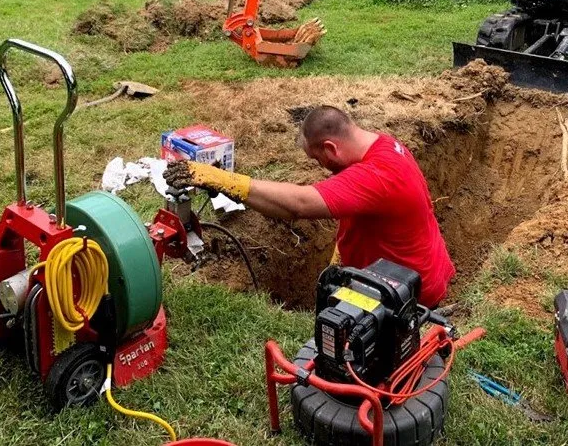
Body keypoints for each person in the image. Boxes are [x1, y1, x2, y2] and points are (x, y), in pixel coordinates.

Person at [164, 106, 455, 306]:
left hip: (408, 292)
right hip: (419, 268)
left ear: (330, 148)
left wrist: (225, 181)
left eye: (319, 159)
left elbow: (299, 206)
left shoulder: (377, 175)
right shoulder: (383, 145)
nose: (322, 167)